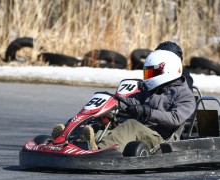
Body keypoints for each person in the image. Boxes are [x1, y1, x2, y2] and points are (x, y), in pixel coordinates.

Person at [52, 47, 196, 152]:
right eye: (148, 72)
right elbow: (133, 101)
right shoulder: (151, 89)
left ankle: (98, 149)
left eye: (153, 72)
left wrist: (148, 112)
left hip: (161, 136)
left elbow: (176, 118)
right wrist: (115, 103)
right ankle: (72, 142)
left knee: (131, 126)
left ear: (168, 70)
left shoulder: (185, 95)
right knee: (106, 125)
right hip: (144, 129)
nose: (149, 76)